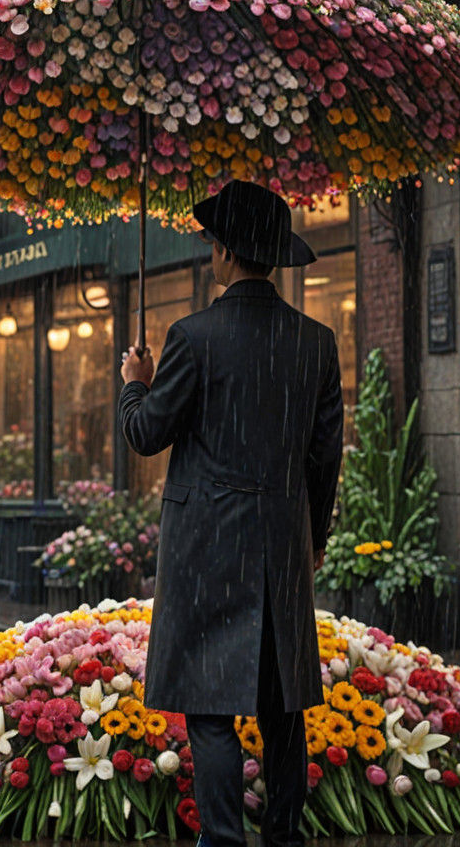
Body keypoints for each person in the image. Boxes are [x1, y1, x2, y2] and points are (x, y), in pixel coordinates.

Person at [118, 180, 343, 847]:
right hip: (280, 539)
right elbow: (324, 459)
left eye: (212, 243)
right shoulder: (316, 343)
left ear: (224, 253)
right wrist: (315, 536)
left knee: (211, 708)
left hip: (207, 545)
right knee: (283, 708)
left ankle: (221, 839)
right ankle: (283, 836)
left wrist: (136, 383)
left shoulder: (192, 337)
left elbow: (147, 433)